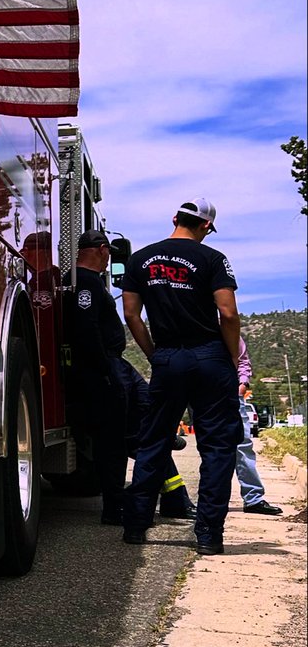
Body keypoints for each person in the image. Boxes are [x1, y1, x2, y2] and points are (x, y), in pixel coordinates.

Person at [120, 199, 242, 555]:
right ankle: (208, 535)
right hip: (209, 355)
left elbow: (131, 314)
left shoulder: (140, 259)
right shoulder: (213, 258)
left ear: (174, 219)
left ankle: (136, 526)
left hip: (168, 356)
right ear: (206, 227)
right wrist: (231, 356)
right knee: (218, 446)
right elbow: (228, 312)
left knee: (154, 440)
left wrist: (154, 354)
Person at [68, 229, 194, 525]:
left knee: (151, 426)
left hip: (117, 366)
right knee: (112, 442)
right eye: (108, 253)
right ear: (100, 250)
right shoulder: (83, 283)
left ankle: (174, 497)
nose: (109, 259)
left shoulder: (90, 283)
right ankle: (114, 508)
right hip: (105, 368)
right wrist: (104, 372)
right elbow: (85, 332)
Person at [234, 336, 282, 516]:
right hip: (202, 395)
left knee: (243, 446)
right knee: (210, 449)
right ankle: (211, 501)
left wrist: (243, 384)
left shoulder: (229, 328)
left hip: (232, 394)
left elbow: (243, 361)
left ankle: (253, 498)